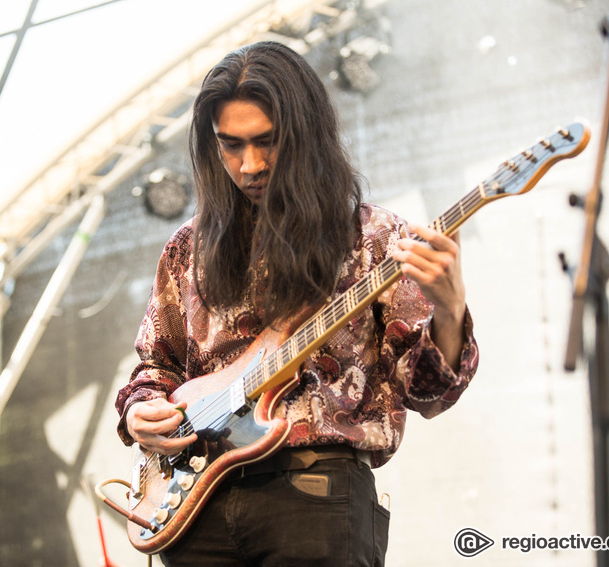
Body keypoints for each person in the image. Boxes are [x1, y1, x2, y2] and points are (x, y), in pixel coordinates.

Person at [115, 41, 478, 566]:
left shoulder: (374, 238)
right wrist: (138, 410)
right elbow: (156, 365)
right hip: (195, 508)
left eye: (267, 142)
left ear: (305, 135)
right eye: (231, 146)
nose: (250, 164)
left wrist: (449, 309)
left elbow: (429, 396)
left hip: (314, 494)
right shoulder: (185, 250)